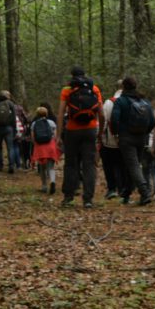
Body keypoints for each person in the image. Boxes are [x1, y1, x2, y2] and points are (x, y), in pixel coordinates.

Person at [57, 67, 103, 208]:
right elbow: (101, 114)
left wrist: (58, 135)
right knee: (89, 165)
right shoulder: (94, 89)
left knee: (71, 164)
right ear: (85, 75)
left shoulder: (67, 90)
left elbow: (60, 113)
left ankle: (68, 197)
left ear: (72, 76)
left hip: (72, 130)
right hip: (90, 130)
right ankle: (88, 199)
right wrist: (100, 133)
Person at [112, 77, 155, 206]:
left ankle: (145, 192)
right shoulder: (145, 102)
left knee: (133, 165)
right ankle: (126, 194)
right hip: (141, 138)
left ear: (123, 87)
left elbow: (114, 119)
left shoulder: (121, 101)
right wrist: (145, 132)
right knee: (132, 165)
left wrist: (116, 133)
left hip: (126, 137)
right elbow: (152, 121)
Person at [99, 81, 126, 200]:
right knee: (123, 164)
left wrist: (100, 135)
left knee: (108, 164)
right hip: (127, 140)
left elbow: (103, 121)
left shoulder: (109, 102)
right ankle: (123, 188)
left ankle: (112, 188)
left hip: (110, 140)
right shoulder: (131, 101)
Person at [30, 108, 61, 194]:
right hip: (50, 145)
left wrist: (35, 144)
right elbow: (55, 136)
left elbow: (33, 137)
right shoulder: (51, 123)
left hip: (40, 147)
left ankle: (44, 186)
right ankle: (52, 181)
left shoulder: (34, 124)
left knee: (42, 167)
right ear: (46, 114)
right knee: (50, 167)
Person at [0, 91, 18, 174]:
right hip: (8, 128)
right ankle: (11, 166)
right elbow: (14, 117)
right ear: (7, 96)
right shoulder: (10, 103)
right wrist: (14, 129)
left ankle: (0, 166)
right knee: (10, 148)